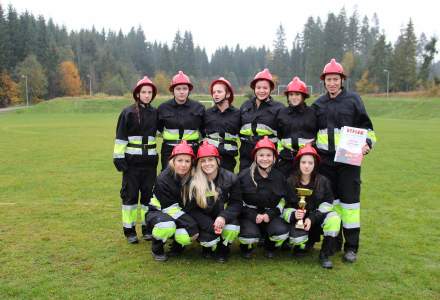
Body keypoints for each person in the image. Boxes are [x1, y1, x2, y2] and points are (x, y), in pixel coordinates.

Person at [312, 58, 377, 263]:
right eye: (328, 79)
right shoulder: (318, 104)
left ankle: (351, 247)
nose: (332, 83)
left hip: (349, 163)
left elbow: (368, 129)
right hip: (325, 163)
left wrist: (367, 143)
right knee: (331, 203)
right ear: (324, 81)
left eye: (335, 79)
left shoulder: (354, 100)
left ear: (342, 80)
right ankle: (333, 242)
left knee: (350, 206)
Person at [112, 76, 159, 244]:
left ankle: (147, 228)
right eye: (143, 92)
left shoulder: (155, 113)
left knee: (148, 199)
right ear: (137, 94)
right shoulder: (128, 113)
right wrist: (118, 158)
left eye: (149, 92)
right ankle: (129, 230)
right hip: (131, 165)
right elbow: (120, 137)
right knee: (130, 198)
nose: (146, 95)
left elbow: (163, 132)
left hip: (150, 165)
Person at [283, 145, 341, 269]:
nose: (307, 165)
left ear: (315, 164)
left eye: (310, 162)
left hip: (317, 218)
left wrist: (313, 218)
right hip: (299, 221)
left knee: (334, 218)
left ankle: (325, 254)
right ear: (298, 163)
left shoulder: (323, 181)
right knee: (297, 240)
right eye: (303, 162)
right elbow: (286, 206)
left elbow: (327, 204)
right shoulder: (290, 182)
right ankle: (304, 244)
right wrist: (294, 215)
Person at [186, 141, 242, 262]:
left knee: (232, 228)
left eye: (210, 159)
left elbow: (236, 203)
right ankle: (207, 246)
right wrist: (211, 227)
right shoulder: (193, 181)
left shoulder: (231, 178)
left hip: (222, 217)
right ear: (199, 163)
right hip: (204, 220)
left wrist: (223, 217)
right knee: (208, 240)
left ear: (218, 160)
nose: (207, 164)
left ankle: (224, 247)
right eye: (203, 161)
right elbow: (192, 210)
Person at [238, 136, 290, 258]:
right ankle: (246, 247)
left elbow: (283, 200)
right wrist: (253, 215)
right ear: (255, 157)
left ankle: (269, 245)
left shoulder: (279, 177)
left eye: (268, 155)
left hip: (270, 215)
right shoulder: (243, 176)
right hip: (249, 216)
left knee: (281, 233)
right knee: (249, 236)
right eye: (261, 155)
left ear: (274, 158)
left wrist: (270, 215)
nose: (265, 159)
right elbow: (237, 201)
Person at [146, 141, 199, 261]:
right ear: (173, 161)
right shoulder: (163, 179)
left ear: (191, 163)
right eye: (180, 160)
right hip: (159, 212)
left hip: (179, 212)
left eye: (187, 161)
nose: (183, 165)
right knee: (167, 226)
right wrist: (191, 224)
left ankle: (177, 245)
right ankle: (157, 247)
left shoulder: (193, 176)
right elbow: (169, 208)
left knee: (186, 235)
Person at [157, 70, 205, 170]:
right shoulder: (163, 108)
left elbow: (204, 131)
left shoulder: (199, 108)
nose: (182, 92)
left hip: (192, 150)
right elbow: (158, 129)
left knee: (191, 180)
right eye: (178, 89)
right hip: (169, 150)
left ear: (189, 90)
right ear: (172, 90)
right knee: (168, 180)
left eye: (184, 88)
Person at [239, 69, 284, 171]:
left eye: (265, 88)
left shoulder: (279, 108)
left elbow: (283, 134)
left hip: (267, 155)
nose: (261, 91)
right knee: (245, 183)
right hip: (246, 154)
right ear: (254, 88)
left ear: (270, 89)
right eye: (258, 87)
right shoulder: (245, 106)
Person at [276, 76, 317, 177]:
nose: (294, 97)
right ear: (288, 97)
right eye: (291, 94)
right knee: (285, 189)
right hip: (286, 159)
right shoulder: (281, 113)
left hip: (306, 159)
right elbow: (279, 135)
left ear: (303, 96)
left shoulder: (312, 113)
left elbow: (317, 134)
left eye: (297, 94)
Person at [203, 77, 241, 172]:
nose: (215, 94)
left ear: (228, 94)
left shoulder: (238, 114)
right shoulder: (207, 113)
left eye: (219, 92)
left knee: (226, 185)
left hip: (228, 159)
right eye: (214, 92)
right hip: (210, 158)